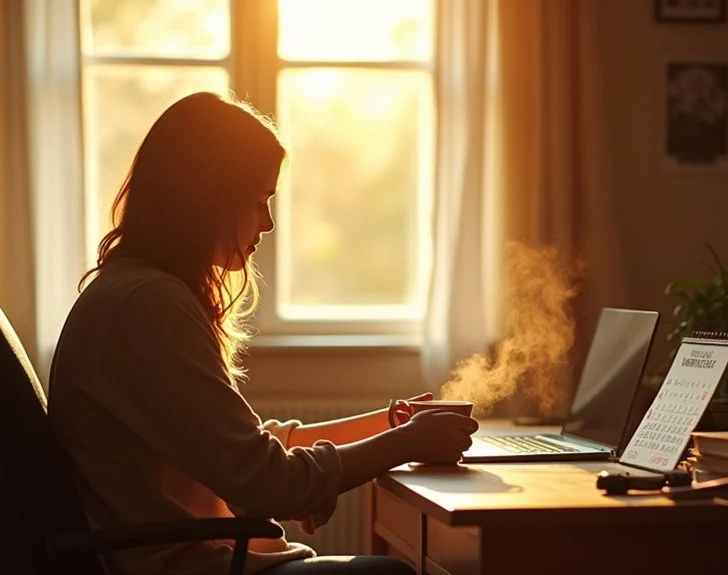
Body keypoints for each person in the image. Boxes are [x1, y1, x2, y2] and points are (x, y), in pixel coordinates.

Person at [47, 91, 479, 575]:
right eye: (257, 202)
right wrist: (406, 445)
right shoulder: (146, 307)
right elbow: (266, 482)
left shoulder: (137, 294)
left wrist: (392, 425)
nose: (269, 222)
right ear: (205, 201)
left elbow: (249, 451)